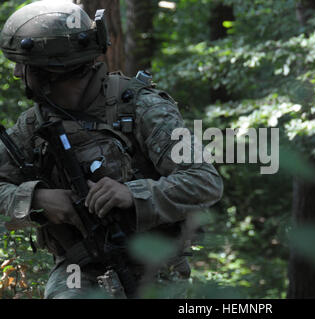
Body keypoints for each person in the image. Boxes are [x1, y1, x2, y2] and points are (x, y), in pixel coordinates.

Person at [0, 1, 223, 299]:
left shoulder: (143, 108)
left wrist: (132, 194)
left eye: (23, 66)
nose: (16, 74)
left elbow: (204, 182)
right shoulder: (34, 124)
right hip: (79, 265)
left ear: (50, 71)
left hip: (155, 266)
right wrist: (36, 198)